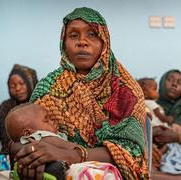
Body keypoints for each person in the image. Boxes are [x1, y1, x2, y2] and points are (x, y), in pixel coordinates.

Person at [11, 7, 148, 179]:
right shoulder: (47, 89)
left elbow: (131, 151)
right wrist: (30, 154)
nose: (82, 42)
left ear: (104, 42)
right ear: (64, 43)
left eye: (92, 34)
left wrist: (74, 155)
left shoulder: (126, 90)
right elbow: (25, 136)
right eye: (73, 35)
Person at [0, 64, 38, 154]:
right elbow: (5, 139)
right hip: (9, 154)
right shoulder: (5, 107)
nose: (18, 88)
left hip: (38, 151)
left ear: (31, 83)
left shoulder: (40, 105)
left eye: (22, 83)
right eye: (13, 86)